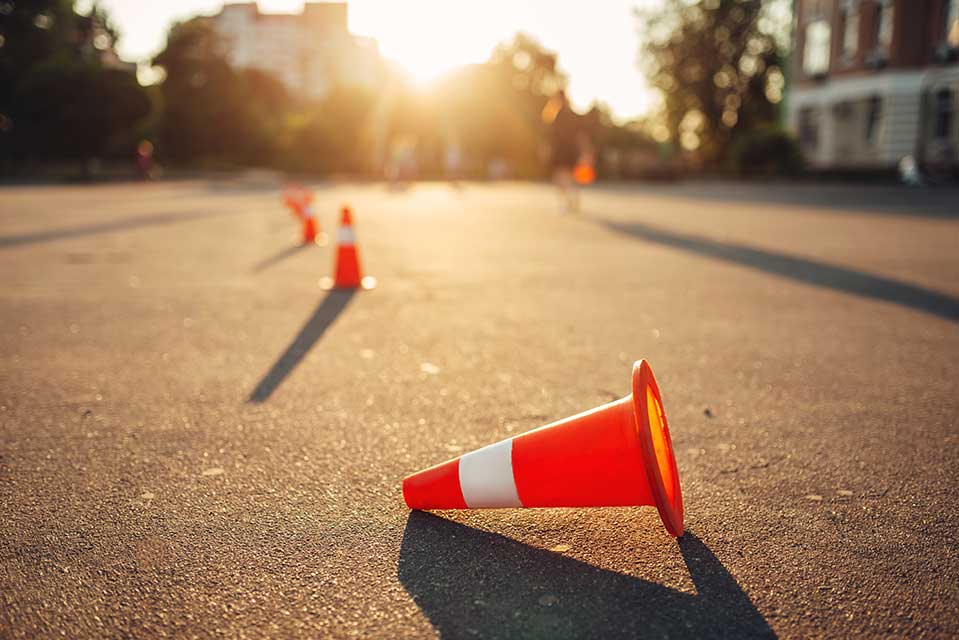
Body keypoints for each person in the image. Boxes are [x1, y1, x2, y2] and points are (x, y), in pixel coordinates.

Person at [542, 90, 592, 212]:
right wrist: (585, 151)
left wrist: (546, 149)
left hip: (561, 151)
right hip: (570, 151)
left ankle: (569, 200)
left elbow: (551, 137)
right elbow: (581, 135)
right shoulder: (571, 115)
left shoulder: (555, 116)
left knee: (560, 178)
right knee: (568, 177)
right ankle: (571, 198)